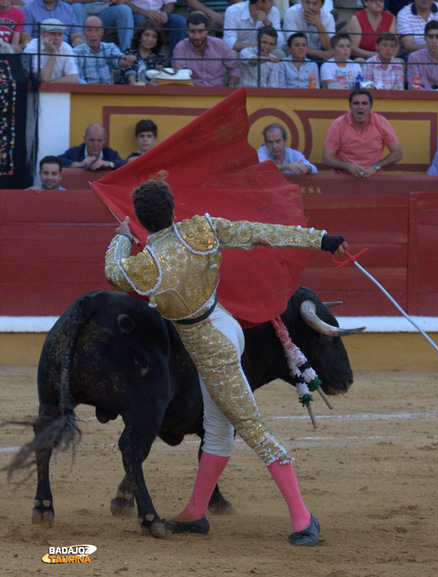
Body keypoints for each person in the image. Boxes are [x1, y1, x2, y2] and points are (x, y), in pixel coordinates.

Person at [104, 177, 348, 546]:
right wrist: (321, 239)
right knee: (217, 428)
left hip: (210, 346)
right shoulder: (201, 227)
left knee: (252, 427)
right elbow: (259, 233)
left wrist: (122, 235)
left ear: (141, 219)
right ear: (173, 210)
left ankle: (303, 518)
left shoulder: (146, 265)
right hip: (226, 324)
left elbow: (113, 268)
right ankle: (195, 512)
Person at [322, 89, 403, 178]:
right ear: (350, 106)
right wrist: (348, 166)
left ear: (370, 107)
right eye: (356, 103)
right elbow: (327, 158)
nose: (360, 107)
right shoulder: (338, 125)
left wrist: (375, 167)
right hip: (343, 179)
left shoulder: (381, 122)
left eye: (364, 103)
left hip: (373, 178)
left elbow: (398, 153)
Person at [172, 11, 240, 87]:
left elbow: (234, 68)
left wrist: (229, 86)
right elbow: (178, 75)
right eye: (192, 32)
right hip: (191, 93)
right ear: (187, 31)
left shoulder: (220, 44)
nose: (196, 36)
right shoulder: (180, 47)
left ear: (207, 30)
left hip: (217, 92)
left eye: (200, 32)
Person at [74, 16, 137, 84]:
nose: (93, 34)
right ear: (83, 32)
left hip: (108, 92)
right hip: (86, 92)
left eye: (97, 30)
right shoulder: (76, 52)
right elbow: (77, 78)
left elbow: (118, 58)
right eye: (89, 30)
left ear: (102, 32)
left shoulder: (109, 47)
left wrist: (124, 60)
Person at [23, 18, 79, 83]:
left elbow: (73, 78)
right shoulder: (32, 47)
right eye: (53, 34)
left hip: (59, 91)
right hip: (34, 91)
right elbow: (44, 78)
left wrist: (51, 84)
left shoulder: (66, 48)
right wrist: (53, 53)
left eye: (60, 34)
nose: (57, 38)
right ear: (43, 34)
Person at [69, 0, 134, 52]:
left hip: (104, 14)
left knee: (124, 9)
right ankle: (82, 51)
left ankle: (126, 53)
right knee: (77, 6)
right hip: (82, 14)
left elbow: (123, 2)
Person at [57, 123, 125, 170]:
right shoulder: (76, 151)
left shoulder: (109, 153)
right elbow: (58, 161)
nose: (95, 144)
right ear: (85, 140)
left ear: (104, 141)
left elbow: (124, 164)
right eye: (91, 140)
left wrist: (108, 163)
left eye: (99, 140)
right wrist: (81, 164)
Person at [120, 19, 166, 85]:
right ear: (139, 36)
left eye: (154, 37)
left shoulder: (159, 55)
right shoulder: (129, 51)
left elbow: (157, 80)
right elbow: (130, 76)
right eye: (146, 35)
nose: (150, 40)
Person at [407, 20, 438, 89]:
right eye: (431, 37)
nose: (434, 41)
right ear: (425, 38)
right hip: (422, 98)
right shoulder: (414, 58)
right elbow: (413, 87)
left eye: (437, 37)